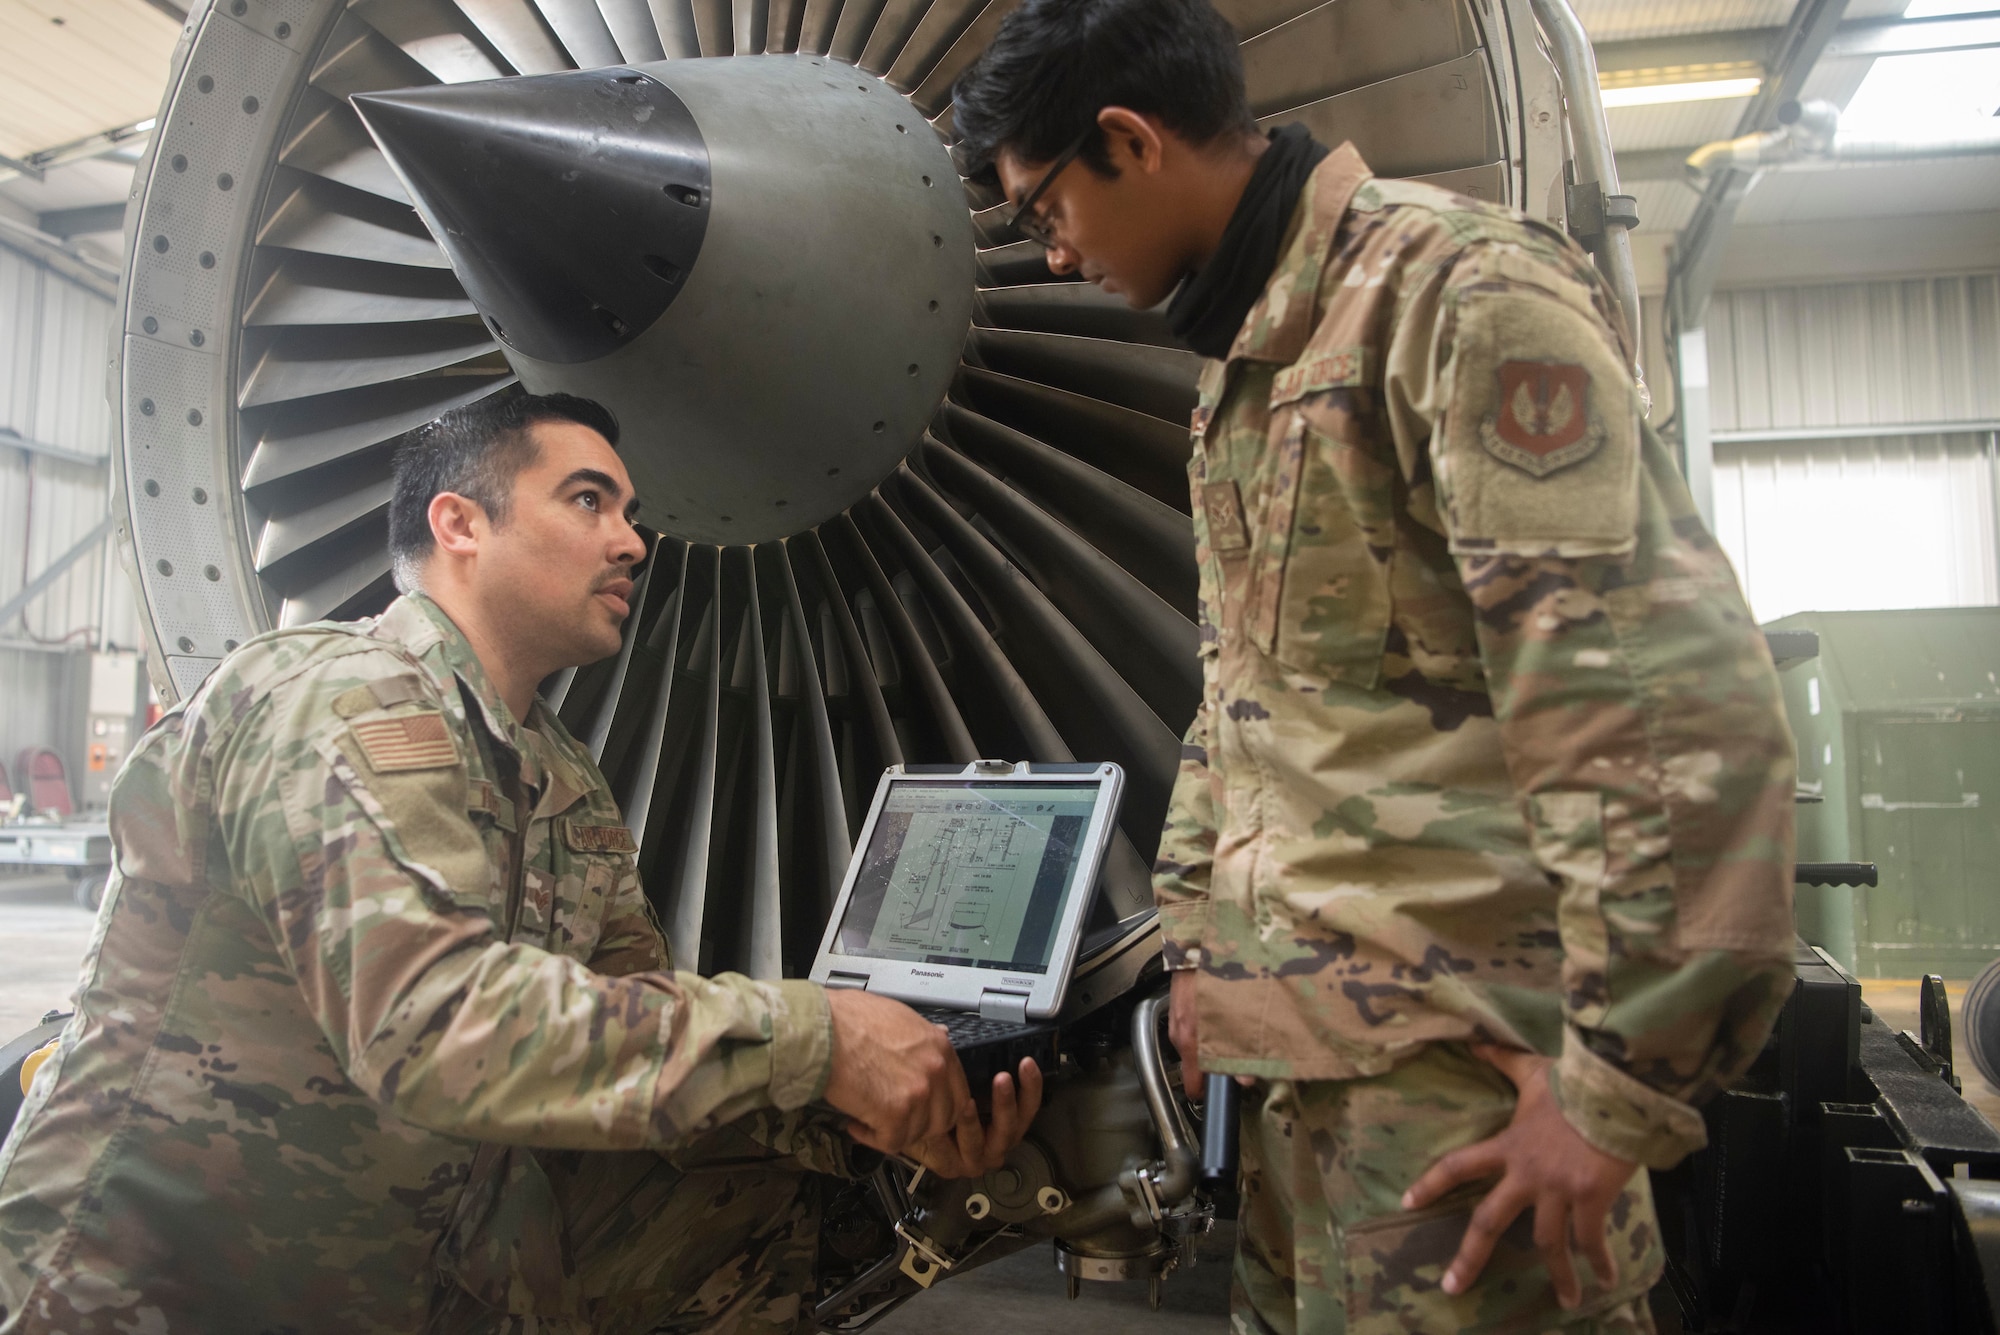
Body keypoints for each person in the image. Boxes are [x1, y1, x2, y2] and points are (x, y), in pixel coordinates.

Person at [954, 2, 1797, 1330]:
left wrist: (1620, 1088)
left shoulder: (1454, 298)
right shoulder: (1249, 366)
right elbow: (1250, 707)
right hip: (1308, 1092)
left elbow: (1662, 711)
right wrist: (1200, 950)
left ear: (1128, 139)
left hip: (1474, 1106)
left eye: (1043, 206)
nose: (1051, 253)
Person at [0, 391, 1040, 1335]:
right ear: (459, 525)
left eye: (630, 513)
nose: (633, 542)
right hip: (163, 1289)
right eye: (589, 502)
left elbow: (635, 1024)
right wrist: (816, 1035)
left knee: (760, 1178)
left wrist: (877, 1120)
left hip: (411, 1275)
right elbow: (431, 1027)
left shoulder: (559, 775)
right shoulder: (335, 696)